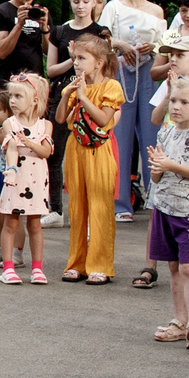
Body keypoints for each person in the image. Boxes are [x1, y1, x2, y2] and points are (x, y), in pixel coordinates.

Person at [144, 75, 189, 349]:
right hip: (164, 207)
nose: (176, 107)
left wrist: (170, 164)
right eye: (173, 100)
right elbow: (156, 178)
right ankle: (179, 321)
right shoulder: (166, 132)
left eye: (184, 102)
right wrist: (157, 168)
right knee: (173, 266)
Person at [100, 0, 169, 219]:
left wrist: (153, 48)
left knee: (152, 134)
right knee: (121, 135)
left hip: (149, 70)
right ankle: (120, 203)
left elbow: (165, 44)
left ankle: (156, 197)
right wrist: (120, 45)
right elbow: (102, 37)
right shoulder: (114, 7)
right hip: (122, 70)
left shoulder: (157, 11)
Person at [59, 28, 123, 283]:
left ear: (98, 63)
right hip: (75, 150)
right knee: (77, 207)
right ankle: (77, 262)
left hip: (99, 152)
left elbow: (104, 119)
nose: (76, 63)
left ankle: (100, 265)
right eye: (74, 58)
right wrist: (68, 95)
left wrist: (83, 97)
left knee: (100, 207)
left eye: (81, 58)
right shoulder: (75, 87)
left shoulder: (111, 86)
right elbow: (61, 118)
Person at [47, 0, 100, 221]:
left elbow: (104, 71)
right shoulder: (59, 31)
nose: (80, 6)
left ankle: (88, 213)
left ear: (94, 3)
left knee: (89, 154)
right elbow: (50, 70)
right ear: (70, 2)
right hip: (61, 94)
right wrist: (73, 60)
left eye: (85, 1)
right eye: (76, 1)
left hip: (91, 96)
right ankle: (55, 210)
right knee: (55, 153)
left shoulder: (101, 33)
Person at [0, 74, 53, 283]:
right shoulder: (10, 123)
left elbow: (46, 152)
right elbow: (11, 148)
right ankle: (8, 267)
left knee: (35, 224)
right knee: (11, 223)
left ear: (34, 100)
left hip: (36, 180)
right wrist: (10, 168)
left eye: (18, 96)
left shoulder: (45, 125)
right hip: (16, 178)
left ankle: (37, 268)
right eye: (11, 96)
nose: (12, 101)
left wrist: (28, 142)